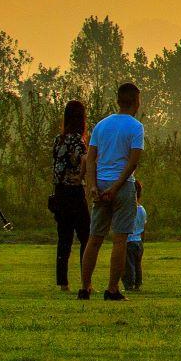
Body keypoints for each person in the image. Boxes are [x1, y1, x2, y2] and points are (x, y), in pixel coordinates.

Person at [79, 81, 144, 302]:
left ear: (118, 100)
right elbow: (133, 162)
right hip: (122, 187)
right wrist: (116, 187)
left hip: (101, 183)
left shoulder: (101, 125)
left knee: (94, 238)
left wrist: (93, 186)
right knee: (120, 240)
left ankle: (85, 287)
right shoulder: (136, 127)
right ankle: (112, 289)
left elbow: (90, 159)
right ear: (136, 101)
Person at [48, 100, 90, 290]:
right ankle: (85, 281)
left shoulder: (59, 139)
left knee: (64, 238)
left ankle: (62, 282)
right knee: (86, 237)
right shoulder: (78, 141)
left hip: (59, 192)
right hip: (74, 191)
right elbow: (82, 163)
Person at [124, 198, 147, 291]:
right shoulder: (142, 209)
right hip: (139, 240)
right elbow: (144, 226)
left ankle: (129, 285)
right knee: (137, 264)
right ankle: (138, 283)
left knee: (129, 265)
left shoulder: (128, 210)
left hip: (129, 240)